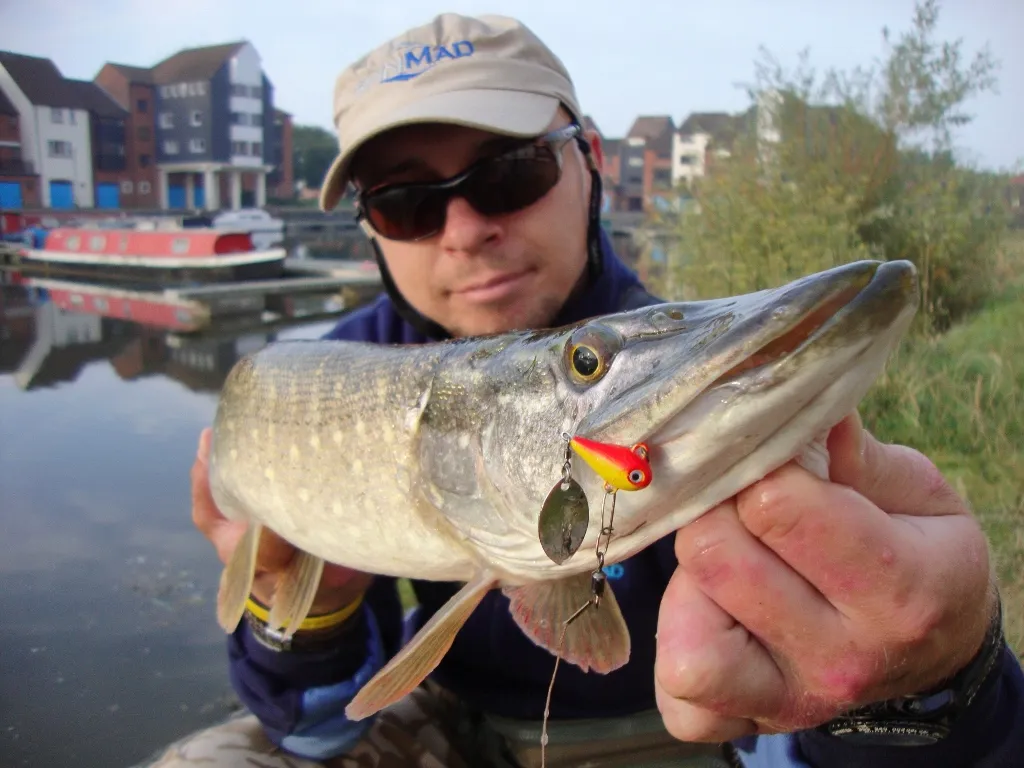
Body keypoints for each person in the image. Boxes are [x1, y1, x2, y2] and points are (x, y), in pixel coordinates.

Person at [154, 12, 1023, 768]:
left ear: (589, 161)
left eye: (509, 170)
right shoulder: (340, 370)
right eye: (406, 201)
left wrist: (934, 690)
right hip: (458, 725)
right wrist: (305, 610)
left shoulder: (683, 386)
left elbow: (830, 729)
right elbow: (314, 731)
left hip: (676, 735)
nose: (466, 229)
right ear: (372, 229)